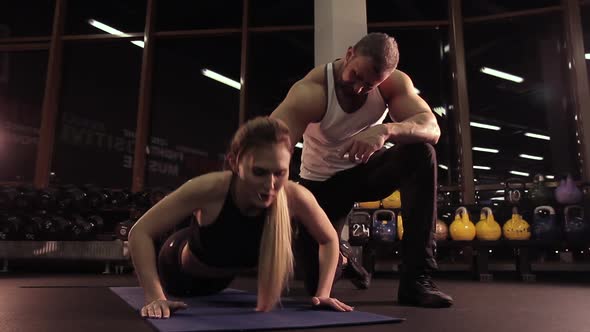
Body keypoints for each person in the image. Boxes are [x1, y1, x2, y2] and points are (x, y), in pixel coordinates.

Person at [270, 32, 453, 308]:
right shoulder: (312, 92)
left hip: (365, 171)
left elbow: (432, 128)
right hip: (322, 184)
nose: (358, 88)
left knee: (421, 152)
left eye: (369, 85)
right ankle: (343, 260)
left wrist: (386, 129)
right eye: (355, 76)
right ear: (350, 53)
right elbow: (270, 145)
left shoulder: (393, 84)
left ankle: (417, 279)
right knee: (316, 288)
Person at [128, 117, 354, 319]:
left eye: (280, 173)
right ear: (235, 162)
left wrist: (323, 293)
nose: (270, 185)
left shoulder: (296, 196)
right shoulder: (209, 188)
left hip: (223, 281)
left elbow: (328, 239)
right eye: (259, 172)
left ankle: (347, 261)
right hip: (180, 273)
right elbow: (140, 232)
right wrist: (154, 296)